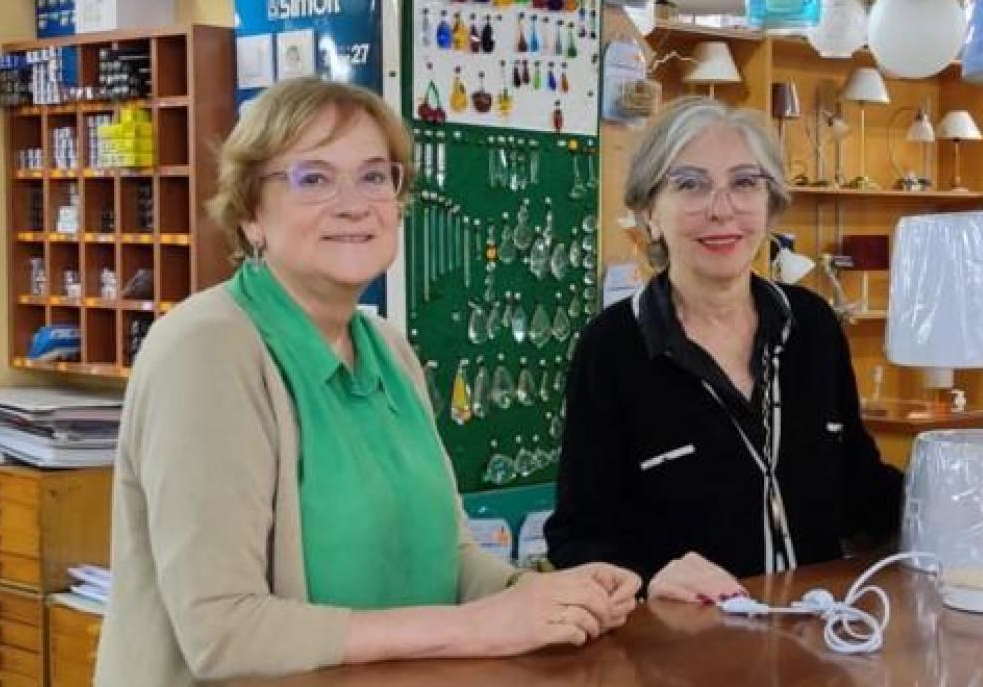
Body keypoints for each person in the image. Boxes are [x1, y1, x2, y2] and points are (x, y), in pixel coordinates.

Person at [97, 78, 639, 685]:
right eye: (314, 178)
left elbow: (449, 559)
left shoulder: (387, 350)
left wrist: (546, 594)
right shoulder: (207, 350)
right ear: (251, 213)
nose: (354, 204)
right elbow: (222, 631)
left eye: (375, 176)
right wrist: (481, 628)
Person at [546, 97, 905, 604]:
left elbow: (859, 491)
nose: (722, 209)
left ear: (770, 203)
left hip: (818, 645)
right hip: (685, 656)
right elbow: (577, 537)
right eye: (690, 184)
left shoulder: (812, 326)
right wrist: (650, 578)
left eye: (744, 183)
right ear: (649, 213)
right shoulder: (614, 348)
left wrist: (967, 492)